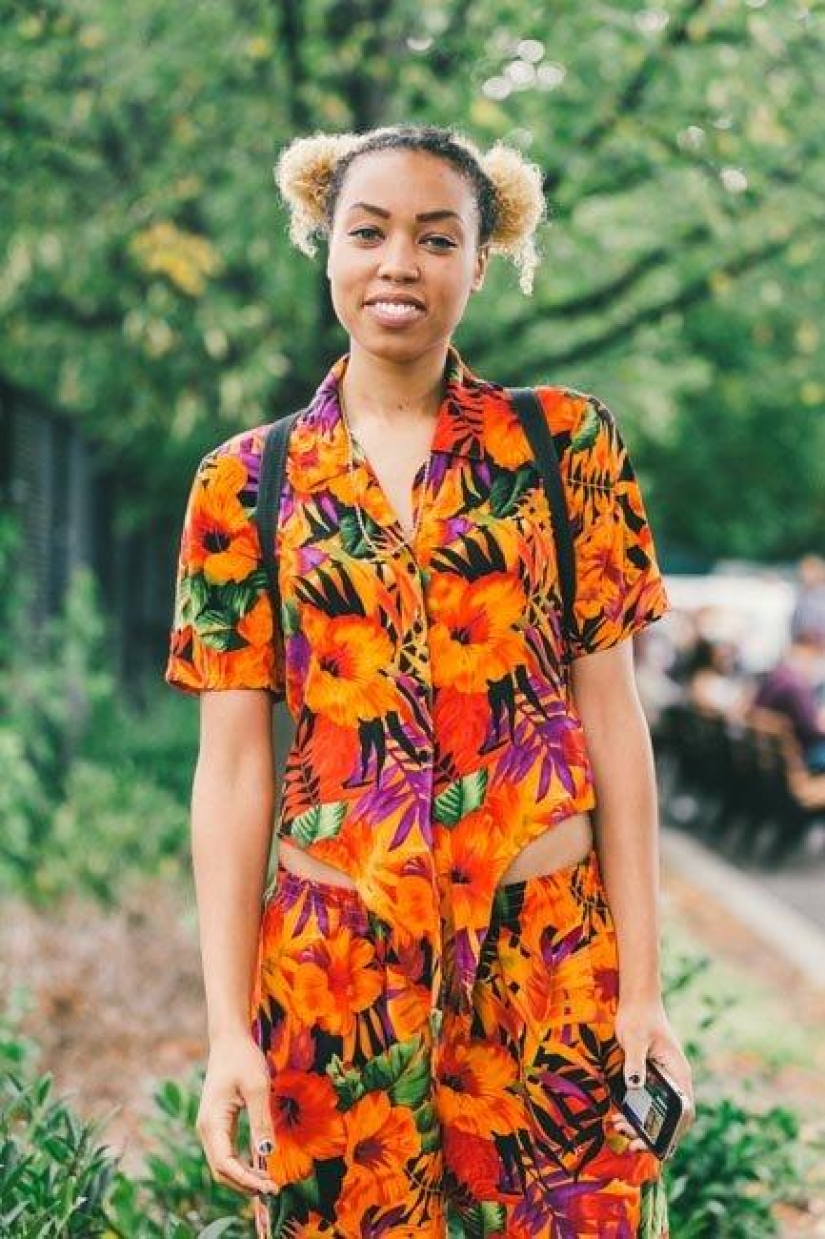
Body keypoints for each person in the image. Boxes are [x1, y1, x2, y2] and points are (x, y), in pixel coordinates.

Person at [164, 123, 695, 1238]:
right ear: (326, 243)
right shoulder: (244, 484)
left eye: (435, 237)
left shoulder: (566, 449)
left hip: (549, 965)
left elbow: (616, 728)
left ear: (480, 260)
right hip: (334, 974)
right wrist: (228, 1035)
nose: (398, 262)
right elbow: (230, 777)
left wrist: (641, 993)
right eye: (368, 232)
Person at [751, 623, 825, 774]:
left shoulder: (777, 675)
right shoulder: (795, 685)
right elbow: (811, 728)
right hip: (804, 757)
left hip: (773, 759)